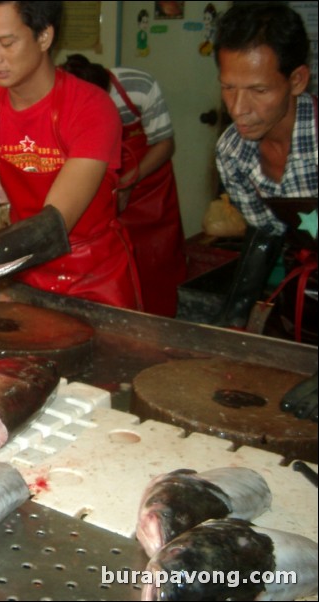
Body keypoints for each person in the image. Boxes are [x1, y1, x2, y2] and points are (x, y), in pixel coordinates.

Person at [0, 1, 142, 310]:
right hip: (24, 273)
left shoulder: (92, 108)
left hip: (95, 276)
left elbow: (56, 221)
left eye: (6, 43)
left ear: (45, 37)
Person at [213, 2, 317, 421]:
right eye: (228, 88)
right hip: (303, 306)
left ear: (296, 80)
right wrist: (230, 325)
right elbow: (267, 236)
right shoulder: (233, 152)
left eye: (258, 90)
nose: (239, 108)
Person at [61, 54, 188, 317]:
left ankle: (163, 325)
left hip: (149, 186)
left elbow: (165, 144)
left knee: (155, 264)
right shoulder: (61, 97)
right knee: (110, 264)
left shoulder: (138, 86)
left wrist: (128, 183)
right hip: (101, 182)